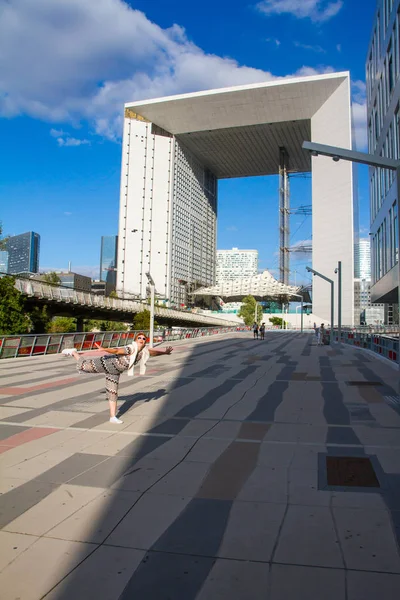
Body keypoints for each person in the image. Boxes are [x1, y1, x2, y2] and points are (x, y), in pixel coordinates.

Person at [61, 332, 173, 424]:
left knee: (113, 393)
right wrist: (104, 349)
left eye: (144, 338)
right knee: (84, 365)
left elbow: (152, 353)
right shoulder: (130, 349)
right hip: (106, 363)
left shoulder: (143, 352)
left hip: (115, 371)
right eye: (139, 338)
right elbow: (117, 351)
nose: (142, 339)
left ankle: (112, 417)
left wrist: (165, 353)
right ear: (135, 340)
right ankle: (73, 352)